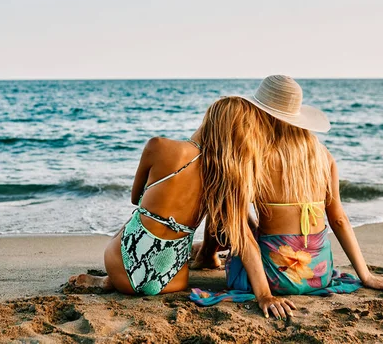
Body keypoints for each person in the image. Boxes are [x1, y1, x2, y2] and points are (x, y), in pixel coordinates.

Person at [69, 96, 297, 318]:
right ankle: (194, 257)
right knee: (207, 221)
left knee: (138, 216)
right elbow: (246, 242)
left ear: (209, 119)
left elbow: (135, 197)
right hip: (172, 283)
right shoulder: (223, 182)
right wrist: (265, 296)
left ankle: (109, 281)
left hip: (120, 266)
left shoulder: (159, 146)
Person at [193, 75, 383, 301]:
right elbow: (339, 220)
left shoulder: (257, 158)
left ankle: (206, 254)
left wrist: (265, 295)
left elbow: (242, 234)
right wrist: (366, 276)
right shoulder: (323, 156)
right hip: (318, 274)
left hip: (274, 278)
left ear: (259, 112)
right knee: (239, 212)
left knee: (225, 204)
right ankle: (205, 252)